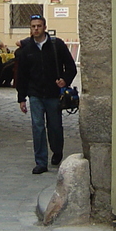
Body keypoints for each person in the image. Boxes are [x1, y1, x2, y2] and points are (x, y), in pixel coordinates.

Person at [15, 15, 77, 173]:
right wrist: (21, 98)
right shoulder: (26, 49)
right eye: (33, 26)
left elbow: (71, 67)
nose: (36, 29)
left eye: (39, 26)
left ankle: (57, 150)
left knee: (55, 126)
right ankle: (41, 161)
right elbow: (21, 75)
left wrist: (64, 80)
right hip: (35, 94)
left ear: (45, 27)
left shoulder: (57, 45)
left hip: (53, 93)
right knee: (38, 127)